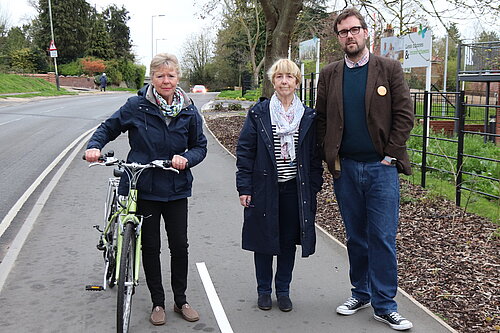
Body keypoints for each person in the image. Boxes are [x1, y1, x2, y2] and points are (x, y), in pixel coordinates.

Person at [85, 53, 207, 327]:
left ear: (178, 78)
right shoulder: (136, 106)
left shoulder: (188, 109)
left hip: (176, 187)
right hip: (145, 186)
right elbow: (109, 127)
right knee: (150, 247)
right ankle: (158, 302)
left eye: (171, 76)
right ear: (152, 78)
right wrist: (95, 146)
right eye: (160, 76)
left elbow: (200, 145)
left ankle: (181, 300)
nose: (166, 81)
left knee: (179, 246)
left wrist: (186, 158)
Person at [315, 8, 414, 331]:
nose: (350, 36)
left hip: (380, 169)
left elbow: (404, 116)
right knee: (356, 238)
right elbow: (322, 120)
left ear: (366, 32)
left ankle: (385, 305)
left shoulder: (388, 69)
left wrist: (390, 156)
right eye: (343, 32)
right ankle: (361, 293)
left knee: (382, 237)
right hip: (346, 170)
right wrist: (329, 158)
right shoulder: (330, 74)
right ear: (338, 38)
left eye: (355, 29)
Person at [236, 59, 323, 312]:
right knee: (263, 241)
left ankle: (283, 290)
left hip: (295, 190)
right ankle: (263, 290)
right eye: (279, 77)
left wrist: (313, 187)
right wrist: (244, 188)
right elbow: (245, 151)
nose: (284, 81)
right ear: (273, 81)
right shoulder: (258, 113)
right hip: (264, 188)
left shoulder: (308, 116)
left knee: (287, 243)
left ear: (297, 82)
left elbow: (314, 157)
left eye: (289, 77)